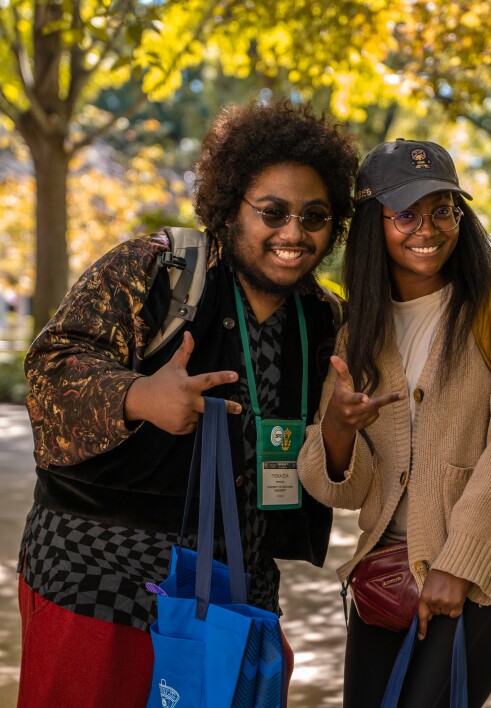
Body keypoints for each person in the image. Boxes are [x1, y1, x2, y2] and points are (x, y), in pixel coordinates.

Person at [17, 100, 359, 707]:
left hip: (234, 593)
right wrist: (137, 396)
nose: (293, 233)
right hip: (99, 583)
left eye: (315, 216)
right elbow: (51, 366)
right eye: (272, 212)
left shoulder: (323, 319)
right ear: (229, 209)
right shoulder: (156, 269)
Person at [297, 138, 491, 707]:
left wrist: (461, 564)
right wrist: (338, 426)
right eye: (405, 214)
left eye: (443, 210)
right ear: (373, 223)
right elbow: (343, 489)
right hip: (388, 572)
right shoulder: (361, 334)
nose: (427, 229)